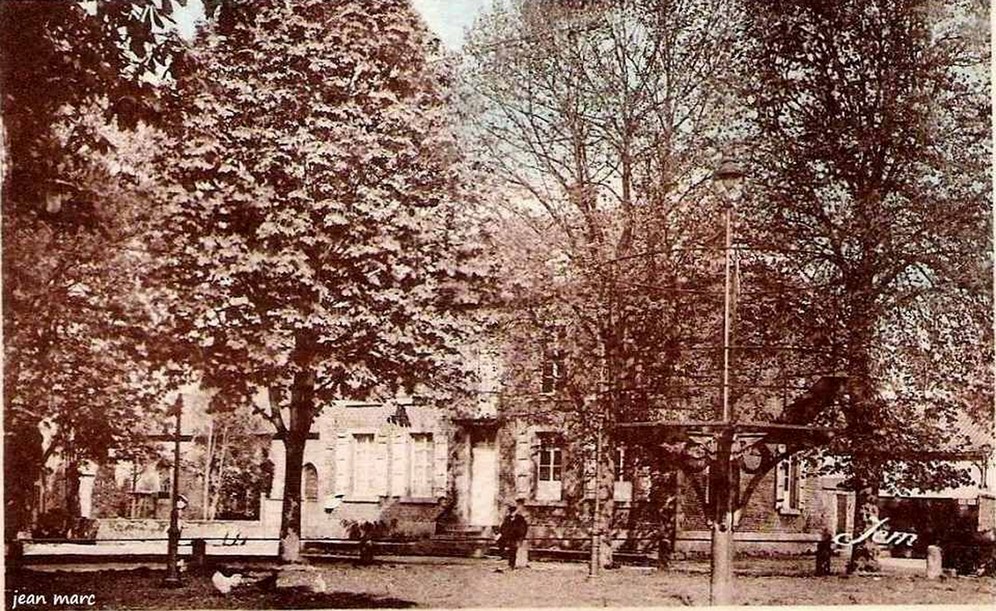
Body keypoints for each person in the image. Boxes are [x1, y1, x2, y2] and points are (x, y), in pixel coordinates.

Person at [497, 501, 529, 569]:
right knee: (509, 549)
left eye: (513, 511)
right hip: (508, 537)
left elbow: (523, 528)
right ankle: (509, 562)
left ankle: (513, 564)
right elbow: (504, 527)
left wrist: (521, 536)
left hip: (516, 537)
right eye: (510, 511)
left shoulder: (520, 519)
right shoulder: (507, 518)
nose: (511, 513)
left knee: (514, 550)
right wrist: (502, 534)